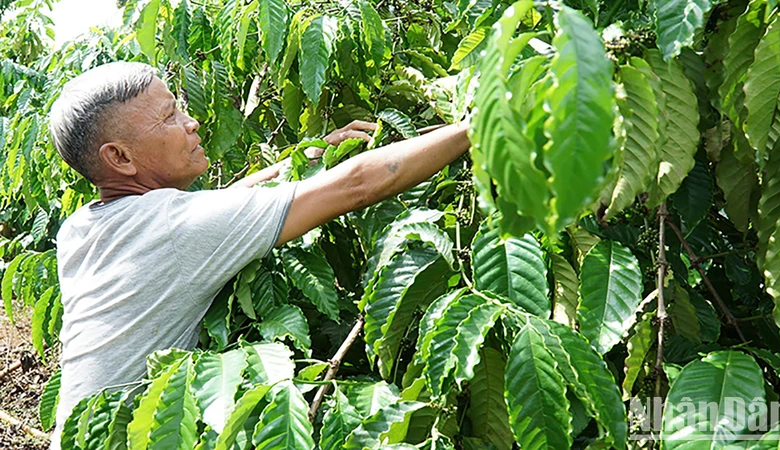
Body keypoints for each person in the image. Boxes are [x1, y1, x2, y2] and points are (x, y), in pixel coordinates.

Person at [47, 61, 470, 446]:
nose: (191, 123)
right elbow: (356, 186)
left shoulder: (80, 228)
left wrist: (307, 157)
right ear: (120, 157)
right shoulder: (177, 228)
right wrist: (475, 128)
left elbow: (220, 207)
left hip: (78, 431)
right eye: (169, 118)